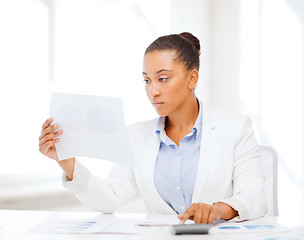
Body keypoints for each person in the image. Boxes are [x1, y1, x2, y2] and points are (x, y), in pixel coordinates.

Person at [39, 32, 267, 224]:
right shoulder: (136, 135)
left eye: (163, 79)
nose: (153, 91)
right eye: (147, 80)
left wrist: (218, 210)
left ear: (192, 78)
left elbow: (255, 198)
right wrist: (67, 163)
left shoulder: (236, 129)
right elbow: (110, 198)